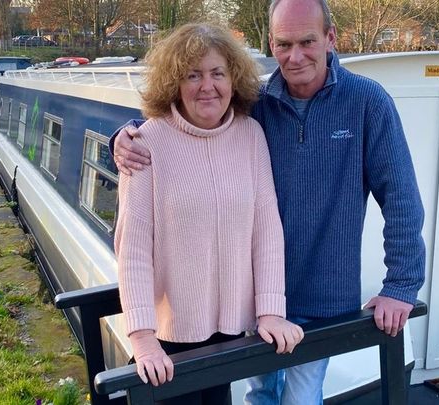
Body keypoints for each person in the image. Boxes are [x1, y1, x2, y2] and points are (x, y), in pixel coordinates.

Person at [113, 0, 426, 402]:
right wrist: (126, 136)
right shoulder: (258, 105)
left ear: (330, 38)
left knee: (301, 398)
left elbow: (401, 198)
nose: (295, 56)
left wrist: (401, 284)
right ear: (271, 45)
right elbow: (194, 124)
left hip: (322, 296)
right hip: (251, 303)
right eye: (283, 44)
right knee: (259, 396)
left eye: (307, 41)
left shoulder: (367, 101)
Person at [114, 23, 304, 405]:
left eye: (218, 73)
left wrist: (270, 311)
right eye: (193, 75)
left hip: (231, 334)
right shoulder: (145, 142)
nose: (207, 86)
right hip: (167, 342)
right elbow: (132, 250)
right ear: (174, 83)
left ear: (233, 80)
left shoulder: (251, 135)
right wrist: (142, 337)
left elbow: (266, 230)